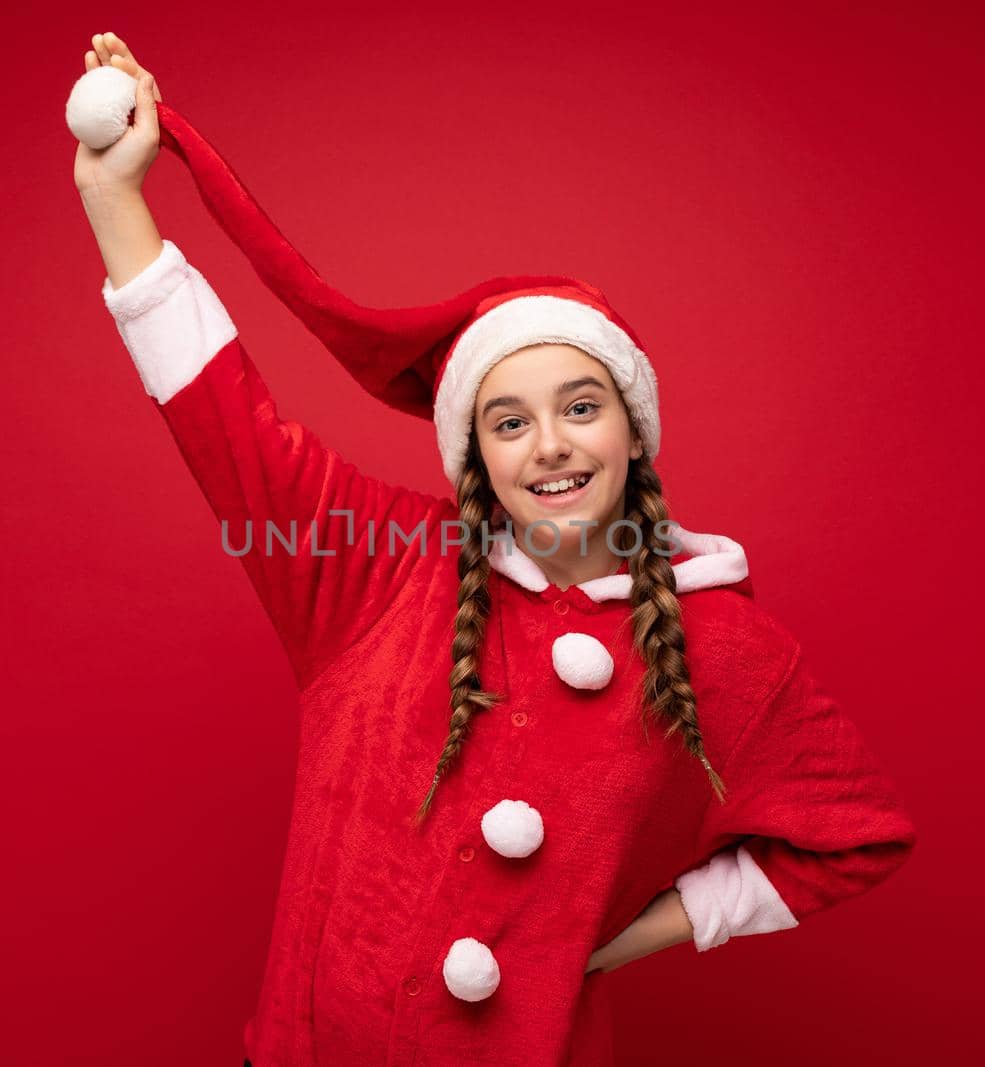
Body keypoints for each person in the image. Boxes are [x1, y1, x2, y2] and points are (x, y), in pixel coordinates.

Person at [71, 31, 917, 1067]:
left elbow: (856, 833)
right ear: (474, 454)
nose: (551, 443)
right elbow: (226, 424)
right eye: (508, 421)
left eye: (579, 405)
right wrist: (115, 197)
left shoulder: (729, 647)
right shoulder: (373, 573)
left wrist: (600, 943)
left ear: (631, 428)